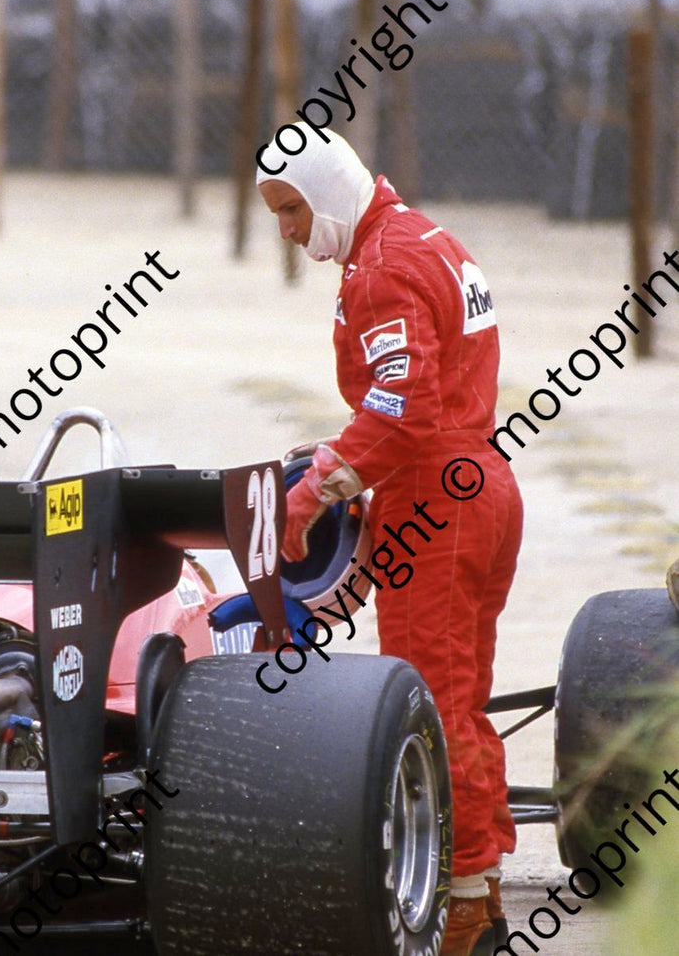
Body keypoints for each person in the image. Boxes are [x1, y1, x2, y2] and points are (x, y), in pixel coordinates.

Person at [257, 122, 524, 956]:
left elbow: (402, 410)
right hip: (481, 485)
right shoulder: (430, 238)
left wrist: (319, 484)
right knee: (462, 703)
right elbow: (424, 392)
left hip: (434, 506)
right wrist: (345, 456)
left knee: (434, 715)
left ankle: (465, 912)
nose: (288, 230)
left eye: (293, 209)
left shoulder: (381, 269)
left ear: (330, 192)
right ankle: (479, 891)